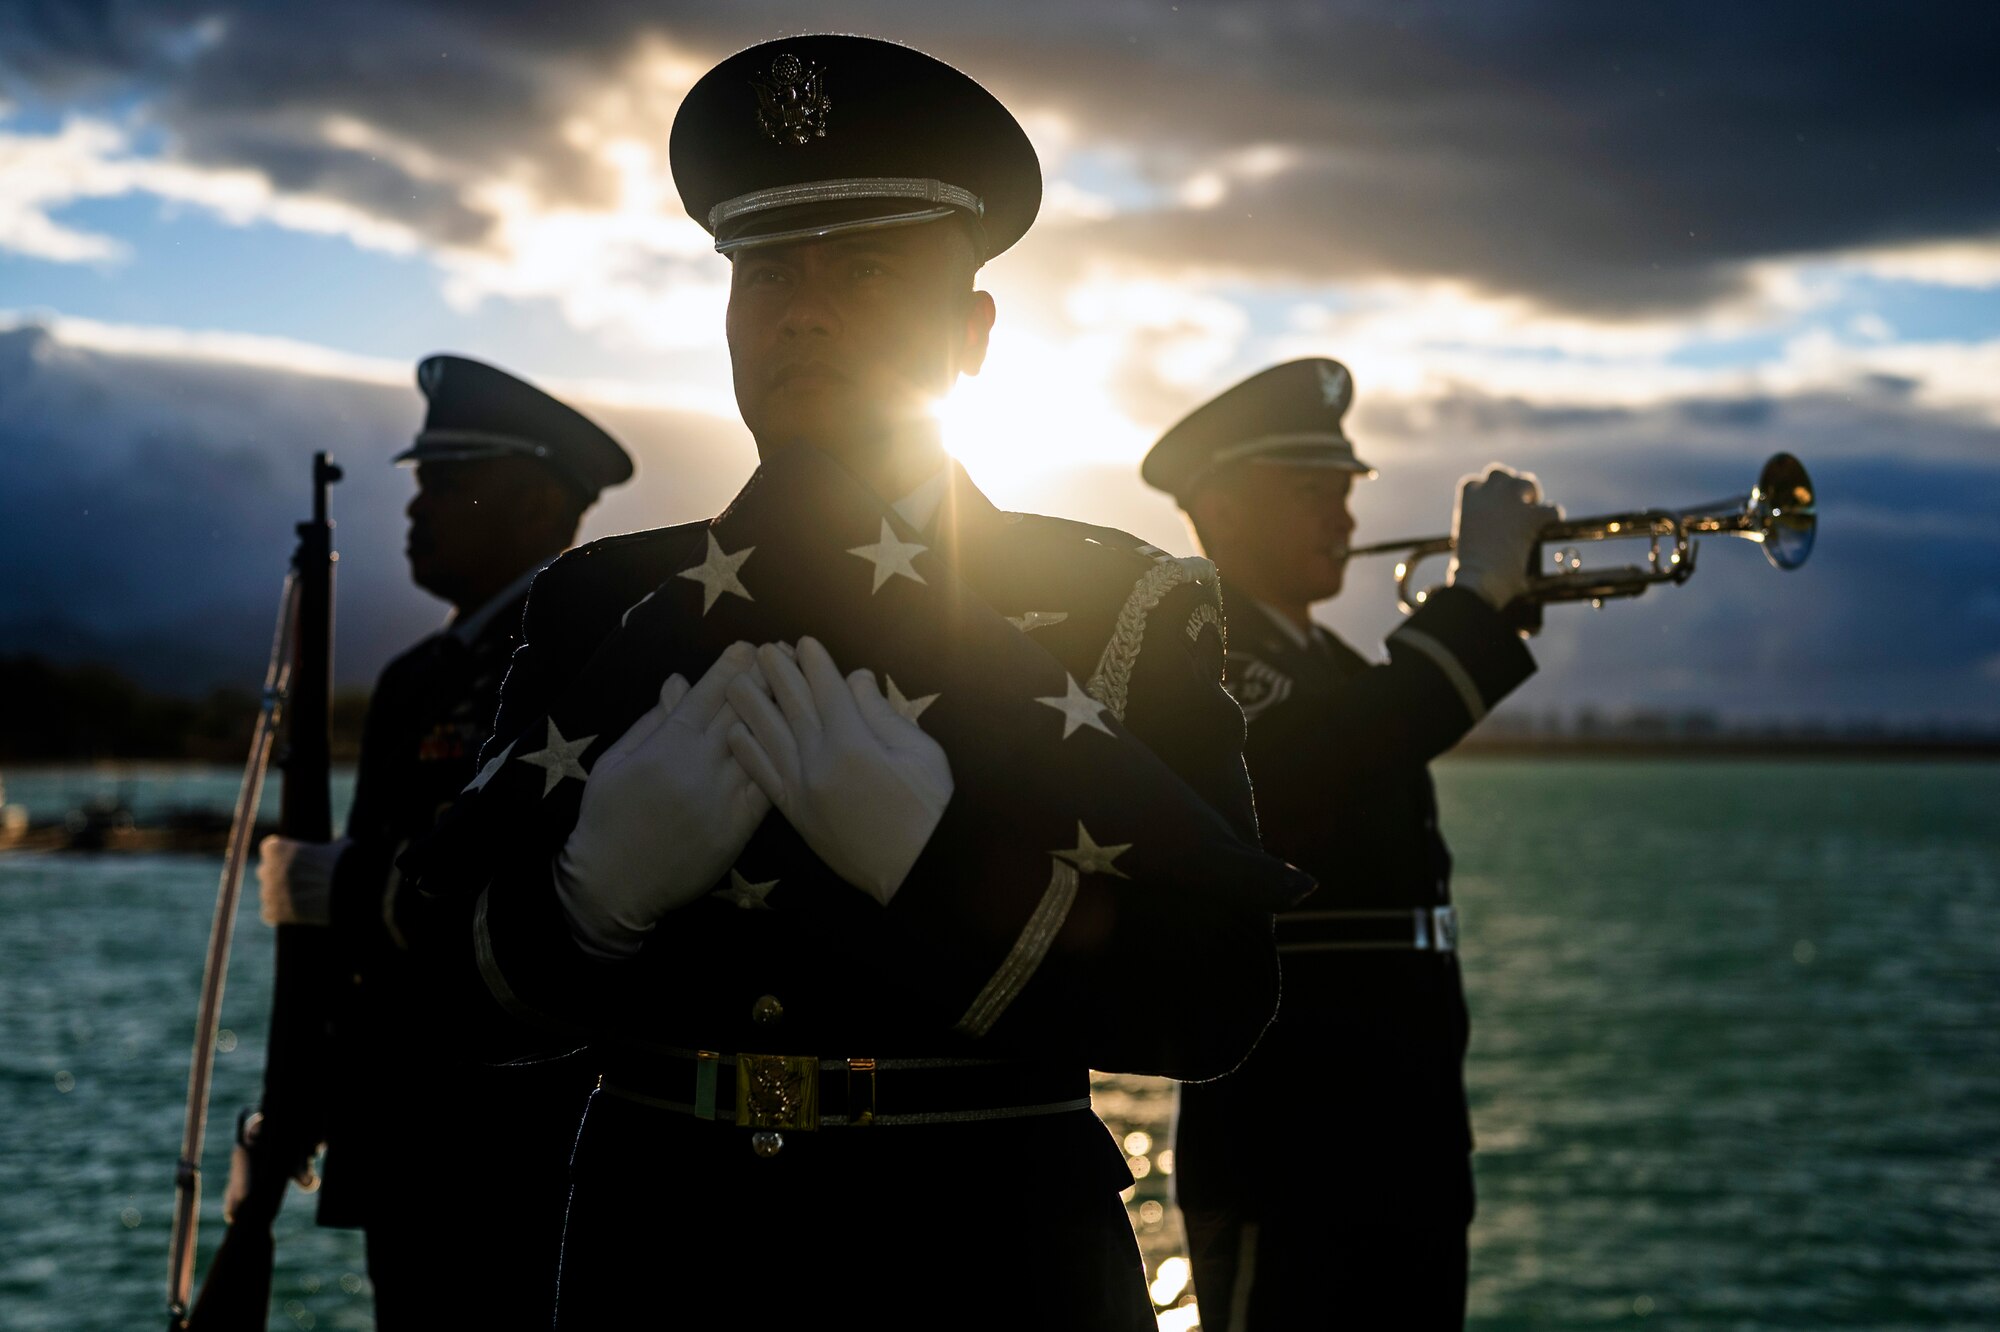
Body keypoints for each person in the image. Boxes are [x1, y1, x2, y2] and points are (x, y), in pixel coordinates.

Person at [397, 35, 1312, 1330]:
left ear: (973, 335)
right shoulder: (604, 603)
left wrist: (940, 870)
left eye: (867, 269)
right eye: (767, 270)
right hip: (663, 1249)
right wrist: (585, 895)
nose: (803, 308)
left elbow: (1217, 998)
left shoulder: (1122, 599)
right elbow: (443, 1001)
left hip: (992, 1255)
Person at [1142, 358, 1557, 1329]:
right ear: (1223, 509)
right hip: (1289, 1152)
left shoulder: (1319, 660)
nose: (1345, 520)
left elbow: (1370, 722)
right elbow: (1342, 749)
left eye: (1343, 491)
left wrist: (1495, 604)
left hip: (1398, 1141)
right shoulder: (1195, 652)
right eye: (1310, 494)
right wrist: (1473, 600)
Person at [252, 354, 633, 1327]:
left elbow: (553, 887)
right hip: (404, 1122)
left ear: (542, 504)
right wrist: (298, 1094)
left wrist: (349, 887)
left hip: (524, 1130)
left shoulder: (596, 663)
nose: (418, 511)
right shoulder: (418, 676)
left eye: (450, 486)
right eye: (421, 487)